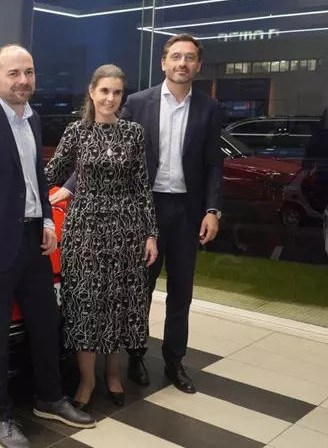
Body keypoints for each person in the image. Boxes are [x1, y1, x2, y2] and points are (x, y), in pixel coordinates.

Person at [52, 34, 224, 394]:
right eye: (175, 56)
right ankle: (136, 357)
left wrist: (212, 209)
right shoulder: (138, 102)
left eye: (189, 57)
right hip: (143, 209)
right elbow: (102, 146)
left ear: (197, 65)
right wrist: (69, 186)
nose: (182, 63)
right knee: (136, 290)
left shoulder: (208, 108)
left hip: (185, 210)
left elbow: (213, 163)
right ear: (163, 62)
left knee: (181, 291)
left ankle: (175, 361)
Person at [0, 44, 95, 448]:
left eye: (28, 72)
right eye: (14, 73)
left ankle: (49, 398)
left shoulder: (33, 119)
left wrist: (45, 220)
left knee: (46, 325)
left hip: (32, 243)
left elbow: (35, 179)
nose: (23, 80)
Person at [44, 64, 158, 410]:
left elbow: (141, 186)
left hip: (126, 229)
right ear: (92, 92)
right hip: (85, 230)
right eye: (104, 91)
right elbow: (50, 173)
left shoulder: (133, 133)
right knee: (86, 304)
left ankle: (112, 374)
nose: (110, 98)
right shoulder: (76, 132)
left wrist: (150, 234)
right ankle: (87, 380)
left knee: (118, 303)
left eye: (117, 92)